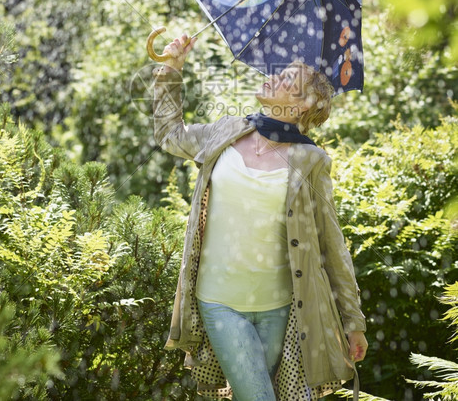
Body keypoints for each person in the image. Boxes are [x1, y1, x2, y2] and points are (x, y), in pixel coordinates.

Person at [152, 33, 368, 401]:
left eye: (287, 80)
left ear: (302, 105)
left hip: (279, 309)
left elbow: (332, 246)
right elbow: (170, 135)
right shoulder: (226, 132)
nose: (273, 77)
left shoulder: (310, 161)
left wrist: (353, 322)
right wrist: (171, 69)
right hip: (218, 300)